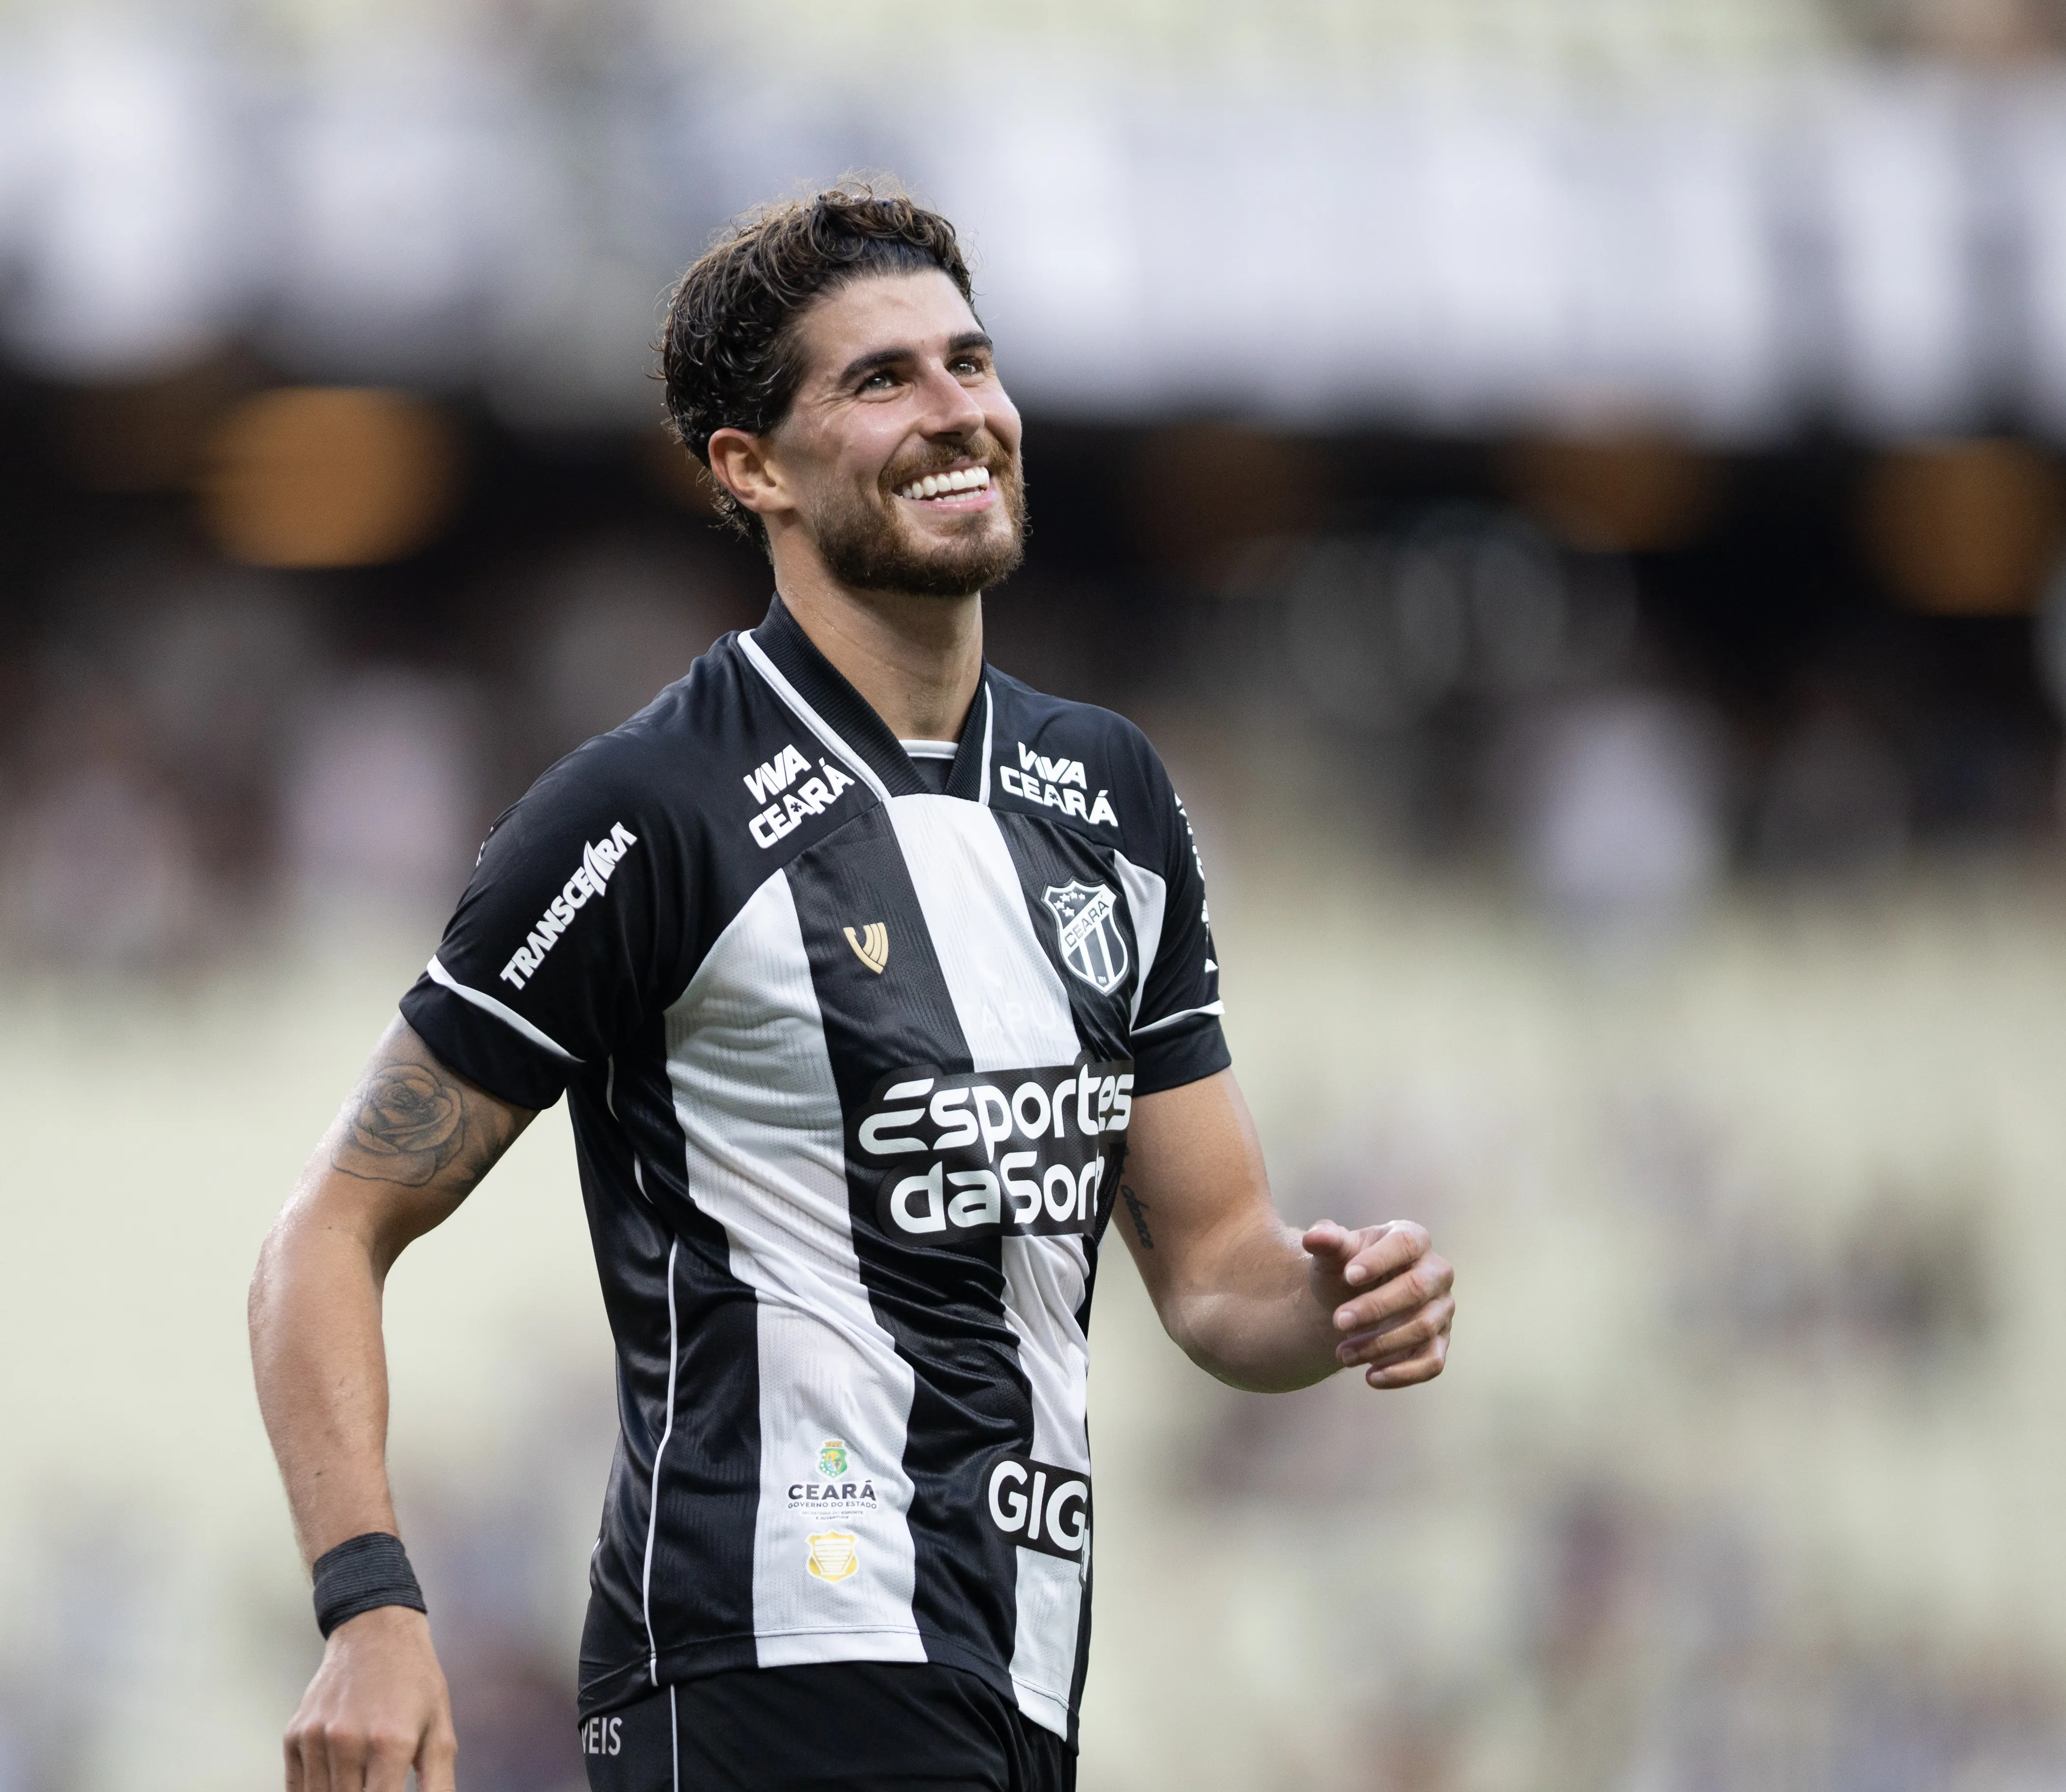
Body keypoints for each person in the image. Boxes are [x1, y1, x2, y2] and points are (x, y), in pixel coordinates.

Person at [248, 184, 1456, 1792]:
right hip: (767, 1663)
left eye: (972, 362)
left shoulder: (1113, 796)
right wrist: (370, 1610)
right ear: (753, 469)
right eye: (883, 380)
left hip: (1019, 1664)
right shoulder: (651, 812)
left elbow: (1216, 1268)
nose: (958, 412)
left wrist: (1332, 1304)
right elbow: (326, 1232)